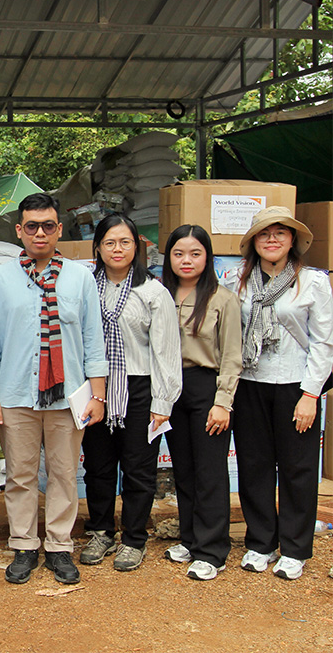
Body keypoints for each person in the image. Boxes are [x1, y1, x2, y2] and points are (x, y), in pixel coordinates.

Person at [0, 193, 107, 585]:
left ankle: (58, 546)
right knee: (20, 474)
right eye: (32, 226)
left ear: (58, 230)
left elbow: (93, 341)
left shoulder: (80, 277)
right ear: (20, 231)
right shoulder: (0, 280)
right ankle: (23, 545)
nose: (40, 232)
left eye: (48, 225)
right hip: (17, 394)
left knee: (64, 473)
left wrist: (99, 395)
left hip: (68, 395)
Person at [222, 206, 333, 581]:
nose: (272, 239)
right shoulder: (236, 280)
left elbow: (323, 343)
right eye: (265, 233)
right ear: (254, 241)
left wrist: (310, 394)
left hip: (294, 385)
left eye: (280, 233)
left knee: (297, 469)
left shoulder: (312, 282)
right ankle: (260, 542)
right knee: (253, 466)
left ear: (292, 241)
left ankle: (296, 547)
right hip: (250, 382)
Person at [81, 214, 181, 572]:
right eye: (109, 242)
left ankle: (134, 538)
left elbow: (166, 353)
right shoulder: (85, 286)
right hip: (96, 388)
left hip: (140, 389)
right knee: (98, 466)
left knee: (139, 469)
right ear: (98, 247)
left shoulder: (153, 292)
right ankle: (101, 532)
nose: (117, 249)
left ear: (137, 246)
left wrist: (162, 402)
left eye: (125, 242)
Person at [161, 225, 242, 581]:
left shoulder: (222, 298)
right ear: (169, 258)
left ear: (207, 256)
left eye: (195, 253)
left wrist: (222, 401)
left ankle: (213, 550)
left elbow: (232, 356)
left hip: (206, 386)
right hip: (169, 388)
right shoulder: (160, 294)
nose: (187, 260)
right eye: (179, 253)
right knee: (185, 468)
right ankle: (192, 539)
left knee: (209, 470)